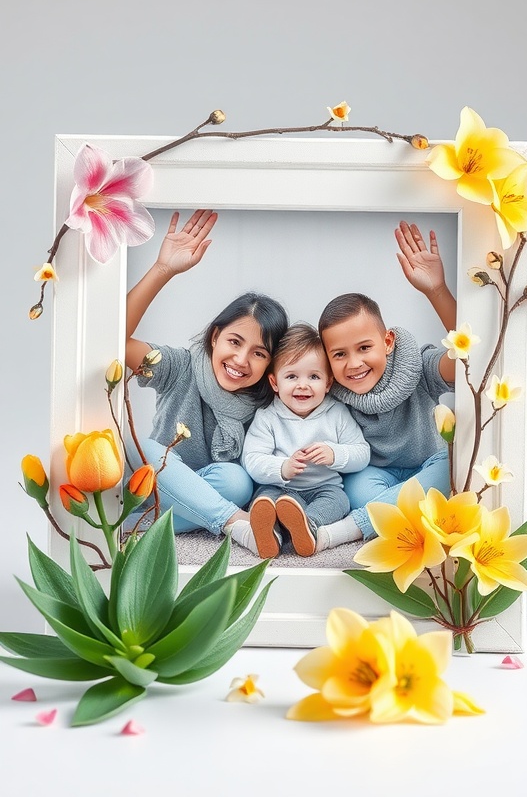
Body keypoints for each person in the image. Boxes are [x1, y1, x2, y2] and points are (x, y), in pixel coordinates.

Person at [126, 208, 289, 539]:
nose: (241, 360)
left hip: (218, 489)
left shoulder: (272, 400)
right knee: (131, 441)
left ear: (270, 365)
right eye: (234, 341)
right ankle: (231, 521)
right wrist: (162, 269)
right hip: (155, 485)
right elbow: (110, 340)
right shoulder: (180, 367)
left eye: (259, 353)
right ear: (215, 337)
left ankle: (132, 528)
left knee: (237, 480)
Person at [314, 220, 457, 551]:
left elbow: (470, 354)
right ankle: (402, 516)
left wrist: (436, 291)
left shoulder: (417, 367)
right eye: (339, 354)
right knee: (358, 492)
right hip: (375, 479)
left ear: (387, 341)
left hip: (429, 466)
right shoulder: (332, 391)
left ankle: (348, 530)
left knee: (453, 464)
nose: (354, 363)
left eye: (364, 348)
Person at [238, 324, 371, 557]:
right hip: (280, 487)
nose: (303, 385)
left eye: (314, 376)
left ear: (328, 383)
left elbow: (362, 453)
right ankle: (271, 534)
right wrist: (283, 467)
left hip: (324, 487)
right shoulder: (268, 417)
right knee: (264, 500)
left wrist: (335, 454)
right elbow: (252, 459)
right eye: (291, 376)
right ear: (275, 383)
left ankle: (307, 525)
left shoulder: (337, 413)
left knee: (338, 501)